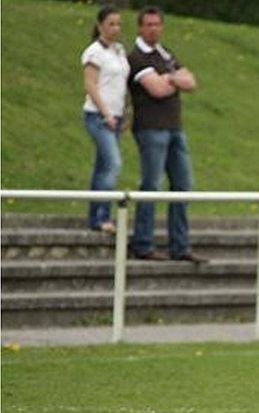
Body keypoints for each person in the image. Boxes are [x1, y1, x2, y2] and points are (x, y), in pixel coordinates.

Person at [127, 6, 206, 263]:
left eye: (157, 24)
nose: (154, 29)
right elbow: (157, 89)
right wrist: (174, 80)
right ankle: (143, 243)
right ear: (140, 27)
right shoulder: (137, 57)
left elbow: (191, 82)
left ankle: (180, 246)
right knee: (151, 185)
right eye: (148, 24)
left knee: (183, 186)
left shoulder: (166, 53)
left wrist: (168, 78)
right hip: (151, 129)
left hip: (175, 129)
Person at [82, 6, 129, 234]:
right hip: (99, 116)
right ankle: (103, 216)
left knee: (102, 167)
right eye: (111, 24)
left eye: (118, 24)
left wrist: (125, 112)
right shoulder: (94, 52)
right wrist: (106, 113)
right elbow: (91, 84)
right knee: (113, 163)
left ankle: (95, 217)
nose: (115, 28)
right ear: (100, 25)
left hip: (117, 116)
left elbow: (121, 84)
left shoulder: (119, 51)